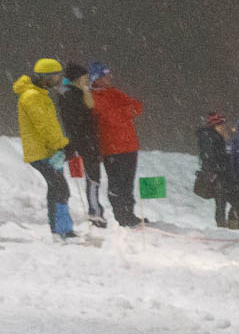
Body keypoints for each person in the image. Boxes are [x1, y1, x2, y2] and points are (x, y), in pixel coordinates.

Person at [13, 57, 76, 239]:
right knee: (60, 188)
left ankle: (61, 228)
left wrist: (60, 145)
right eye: (56, 76)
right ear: (45, 77)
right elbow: (44, 126)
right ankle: (61, 229)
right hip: (41, 152)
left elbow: (50, 126)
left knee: (57, 187)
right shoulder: (32, 97)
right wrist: (62, 145)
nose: (59, 80)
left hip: (47, 150)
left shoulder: (39, 95)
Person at [89, 64, 144, 227]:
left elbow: (137, 106)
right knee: (116, 183)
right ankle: (121, 216)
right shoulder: (92, 97)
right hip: (111, 149)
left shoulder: (115, 93)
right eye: (105, 76)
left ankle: (129, 213)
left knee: (128, 182)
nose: (109, 79)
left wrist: (123, 112)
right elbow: (107, 118)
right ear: (96, 79)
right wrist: (124, 113)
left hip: (130, 146)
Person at [58, 61, 107, 228]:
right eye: (84, 79)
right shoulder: (71, 96)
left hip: (88, 141)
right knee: (93, 179)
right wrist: (76, 144)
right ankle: (95, 213)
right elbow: (77, 122)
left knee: (94, 178)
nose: (87, 81)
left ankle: (96, 211)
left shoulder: (75, 93)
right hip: (85, 143)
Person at [195, 113, 234, 226]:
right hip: (217, 174)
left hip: (222, 173)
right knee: (221, 201)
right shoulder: (210, 137)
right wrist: (216, 170)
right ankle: (222, 225)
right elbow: (210, 157)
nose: (224, 127)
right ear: (216, 126)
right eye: (222, 125)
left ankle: (225, 223)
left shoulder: (217, 137)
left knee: (224, 201)